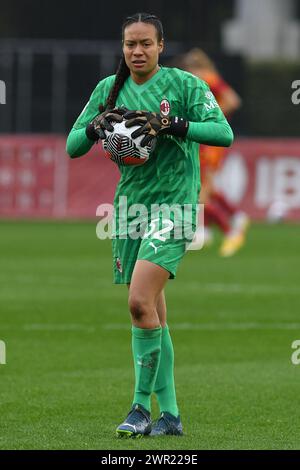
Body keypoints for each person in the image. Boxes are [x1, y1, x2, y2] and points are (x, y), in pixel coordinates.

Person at [66, 13, 234, 438]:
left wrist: (170, 124)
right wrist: (95, 125)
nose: (137, 51)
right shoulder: (110, 89)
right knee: (153, 311)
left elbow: (223, 132)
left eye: (145, 43)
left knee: (139, 302)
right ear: (122, 48)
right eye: (129, 44)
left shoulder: (184, 85)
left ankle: (140, 408)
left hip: (175, 206)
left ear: (161, 45)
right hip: (130, 211)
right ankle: (171, 416)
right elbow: (73, 146)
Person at [181, 48, 249, 257]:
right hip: (206, 141)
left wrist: (211, 118)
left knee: (200, 191)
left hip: (211, 143)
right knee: (205, 187)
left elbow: (233, 100)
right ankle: (207, 230)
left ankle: (232, 229)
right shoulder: (208, 77)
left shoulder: (206, 78)